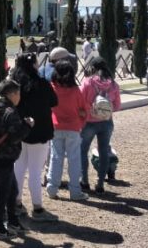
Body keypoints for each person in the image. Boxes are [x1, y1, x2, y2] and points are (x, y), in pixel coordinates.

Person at [11, 51, 57, 217]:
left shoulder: (14, 83)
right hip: (39, 130)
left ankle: (16, 202)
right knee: (35, 170)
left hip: (18, 130)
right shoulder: (42, 83)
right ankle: (37, 206)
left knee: (19, 168)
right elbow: (54, 101)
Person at [0, 79, 32, 241]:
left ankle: (13, 222)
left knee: (12, 190)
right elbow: (14, 136)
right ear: (12, 94)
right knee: (2, 193)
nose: (19, 97)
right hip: (4, 157)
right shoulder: (10, 112)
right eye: (18, 93)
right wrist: (27, 125)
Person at [46, 59, 89, 201]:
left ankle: (52, 188)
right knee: (74, 159)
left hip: (56, 126)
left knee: (55, 157)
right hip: (73, 127)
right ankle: (75, 191)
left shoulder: (51, 87)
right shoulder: (75, 90)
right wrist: (81, 121)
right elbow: (84, 110)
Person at [79, 56, 122, 193]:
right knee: (103, 151)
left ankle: (84, 181)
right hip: (106, 122)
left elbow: (80, 102)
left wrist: (89, 109)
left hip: (88, 122)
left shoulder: (87, 82)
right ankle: (100, 184)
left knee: (82, 151)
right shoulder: (113, 85)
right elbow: (117, 106)